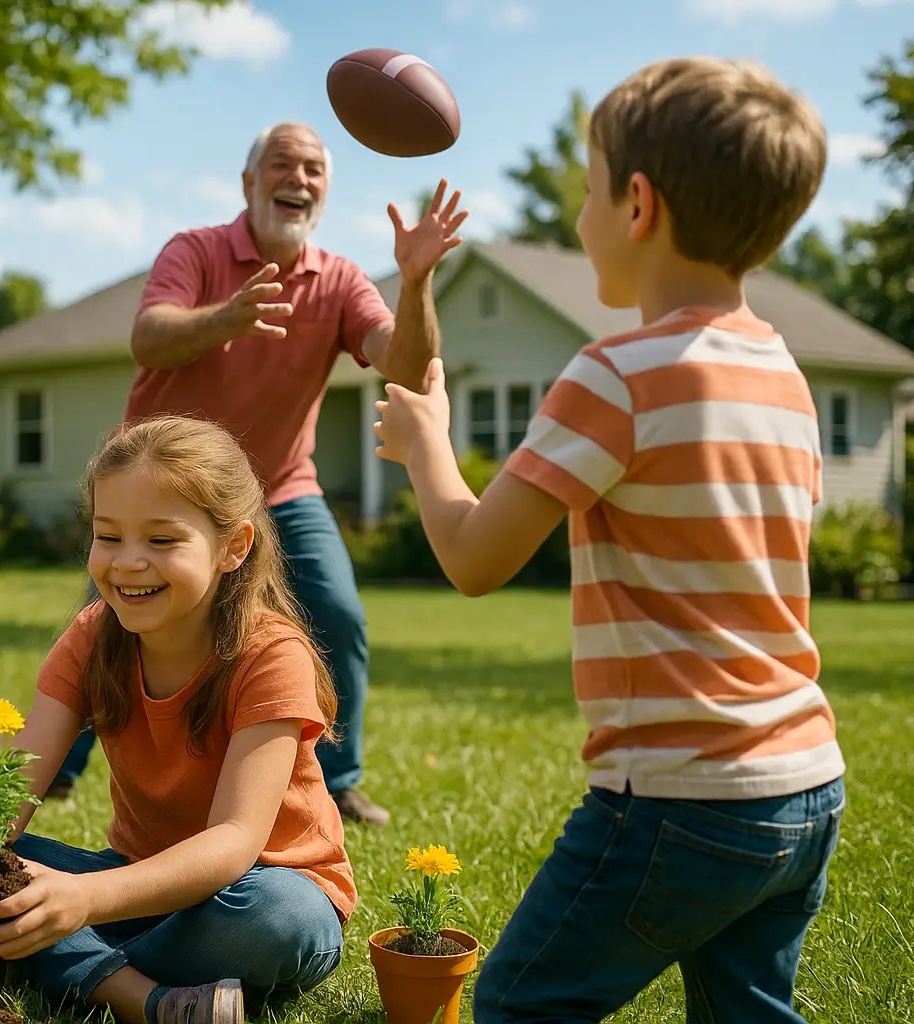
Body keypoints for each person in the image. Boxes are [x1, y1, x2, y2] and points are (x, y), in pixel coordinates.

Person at [373, 57, 844, 1023]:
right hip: (804, 787)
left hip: (678, 796)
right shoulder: (786, 377)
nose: (578, 217)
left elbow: (473, 556)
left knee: (517, 1001)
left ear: (637, 205)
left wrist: (426, 448)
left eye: (585, 191)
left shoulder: (617, 372)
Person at [45, 121, 468, 828]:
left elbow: (407, 364)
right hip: (158, 490)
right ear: (248, 183)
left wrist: (417, 280)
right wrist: (229, 318)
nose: (297, 179)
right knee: (110, 620)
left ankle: (339, 779)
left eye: (313, 170)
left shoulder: (337, 280)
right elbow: (149, 334)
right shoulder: (198, 251)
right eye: (282, 164)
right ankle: (55, 771)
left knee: (336, 616)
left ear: (326, 193)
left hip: (281, 489)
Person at [0, 416, 355, 1024]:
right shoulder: (95, 638)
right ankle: (147, 1000)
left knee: (279, 917)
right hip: (135, 888)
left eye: (162, 540)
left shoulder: (271, 656)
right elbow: (17, 787)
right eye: (108, 536)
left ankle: (54, 960)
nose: (127, 564)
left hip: (256, 891)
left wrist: (81, 902)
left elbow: (233, 844)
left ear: (234, 546)